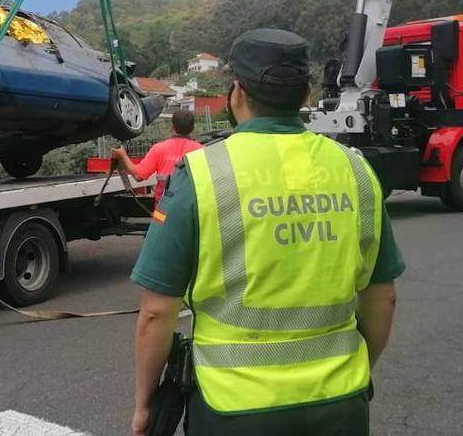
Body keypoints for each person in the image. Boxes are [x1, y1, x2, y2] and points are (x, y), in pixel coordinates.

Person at [129, 29, 405, 436]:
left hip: (231, 407)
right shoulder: (356, 171)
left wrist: (144, 405)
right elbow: (384, 298)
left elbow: (156, 312)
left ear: (236, 93)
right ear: (307, 94)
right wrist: (356, 371)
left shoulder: (203, 175)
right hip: (340, 402)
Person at [111, 110, 204, 207]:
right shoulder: (202, 151)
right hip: (192, 208)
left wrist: (123, 156)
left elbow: (138, 175)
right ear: (193, 128)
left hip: (164, 209)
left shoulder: (159, 149)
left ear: (172, 127)